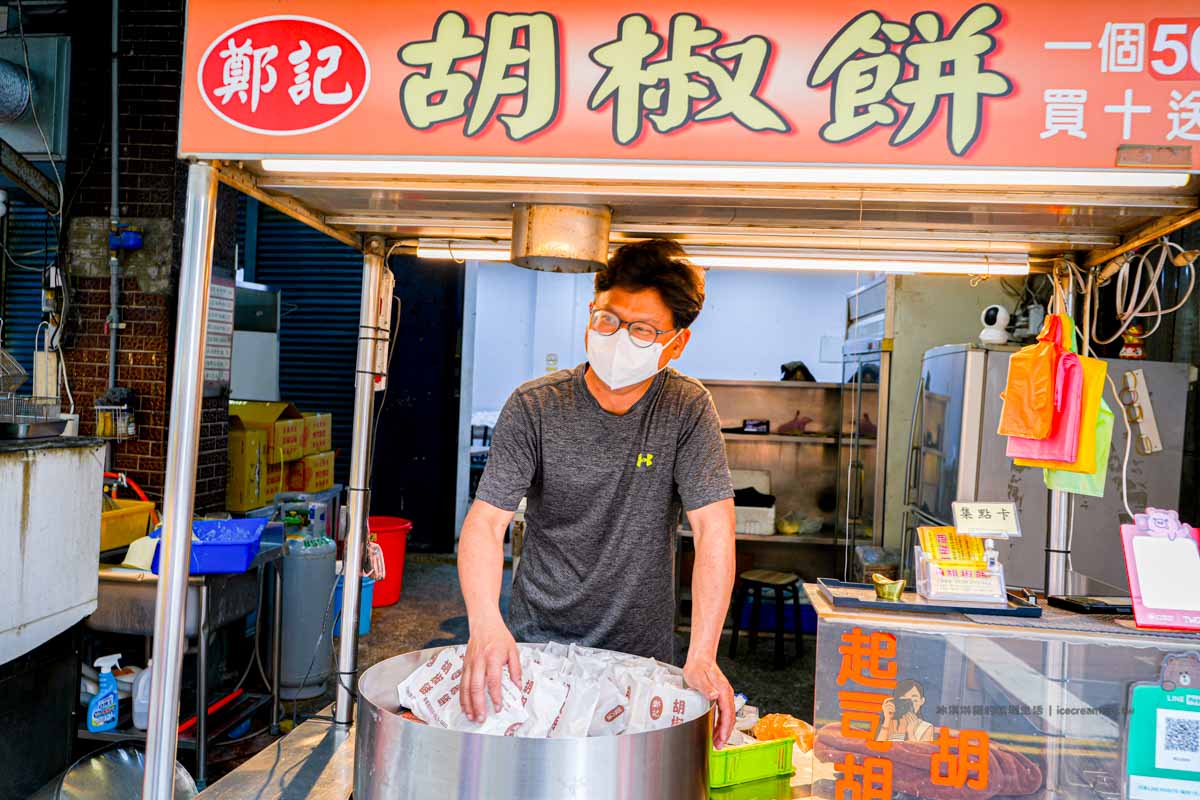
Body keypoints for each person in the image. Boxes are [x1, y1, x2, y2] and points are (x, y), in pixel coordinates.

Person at [456, 239, 738, 746]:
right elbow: (485, 522)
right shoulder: (535, 406)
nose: (619, 338)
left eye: (642, 330)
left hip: (641, 659)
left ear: (676, 343)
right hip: (534, 649)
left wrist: (702, 652)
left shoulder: (686, 408)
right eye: (608, 320)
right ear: (591, 312)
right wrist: (484, 623)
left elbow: (713, 529)